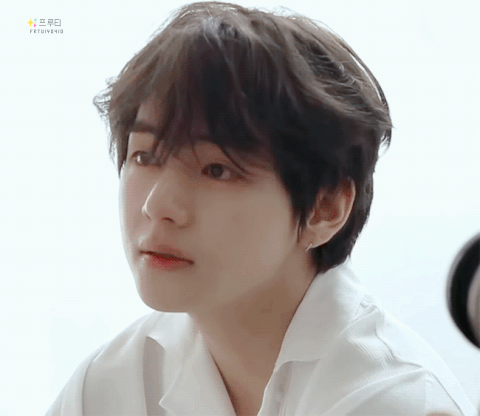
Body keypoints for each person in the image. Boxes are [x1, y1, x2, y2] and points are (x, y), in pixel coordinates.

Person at [45, 2, 477, 415]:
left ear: (325, 208)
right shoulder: (114, 382)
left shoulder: (391, 400)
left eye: (216, 169)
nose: (156, 206)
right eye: (144, 156)